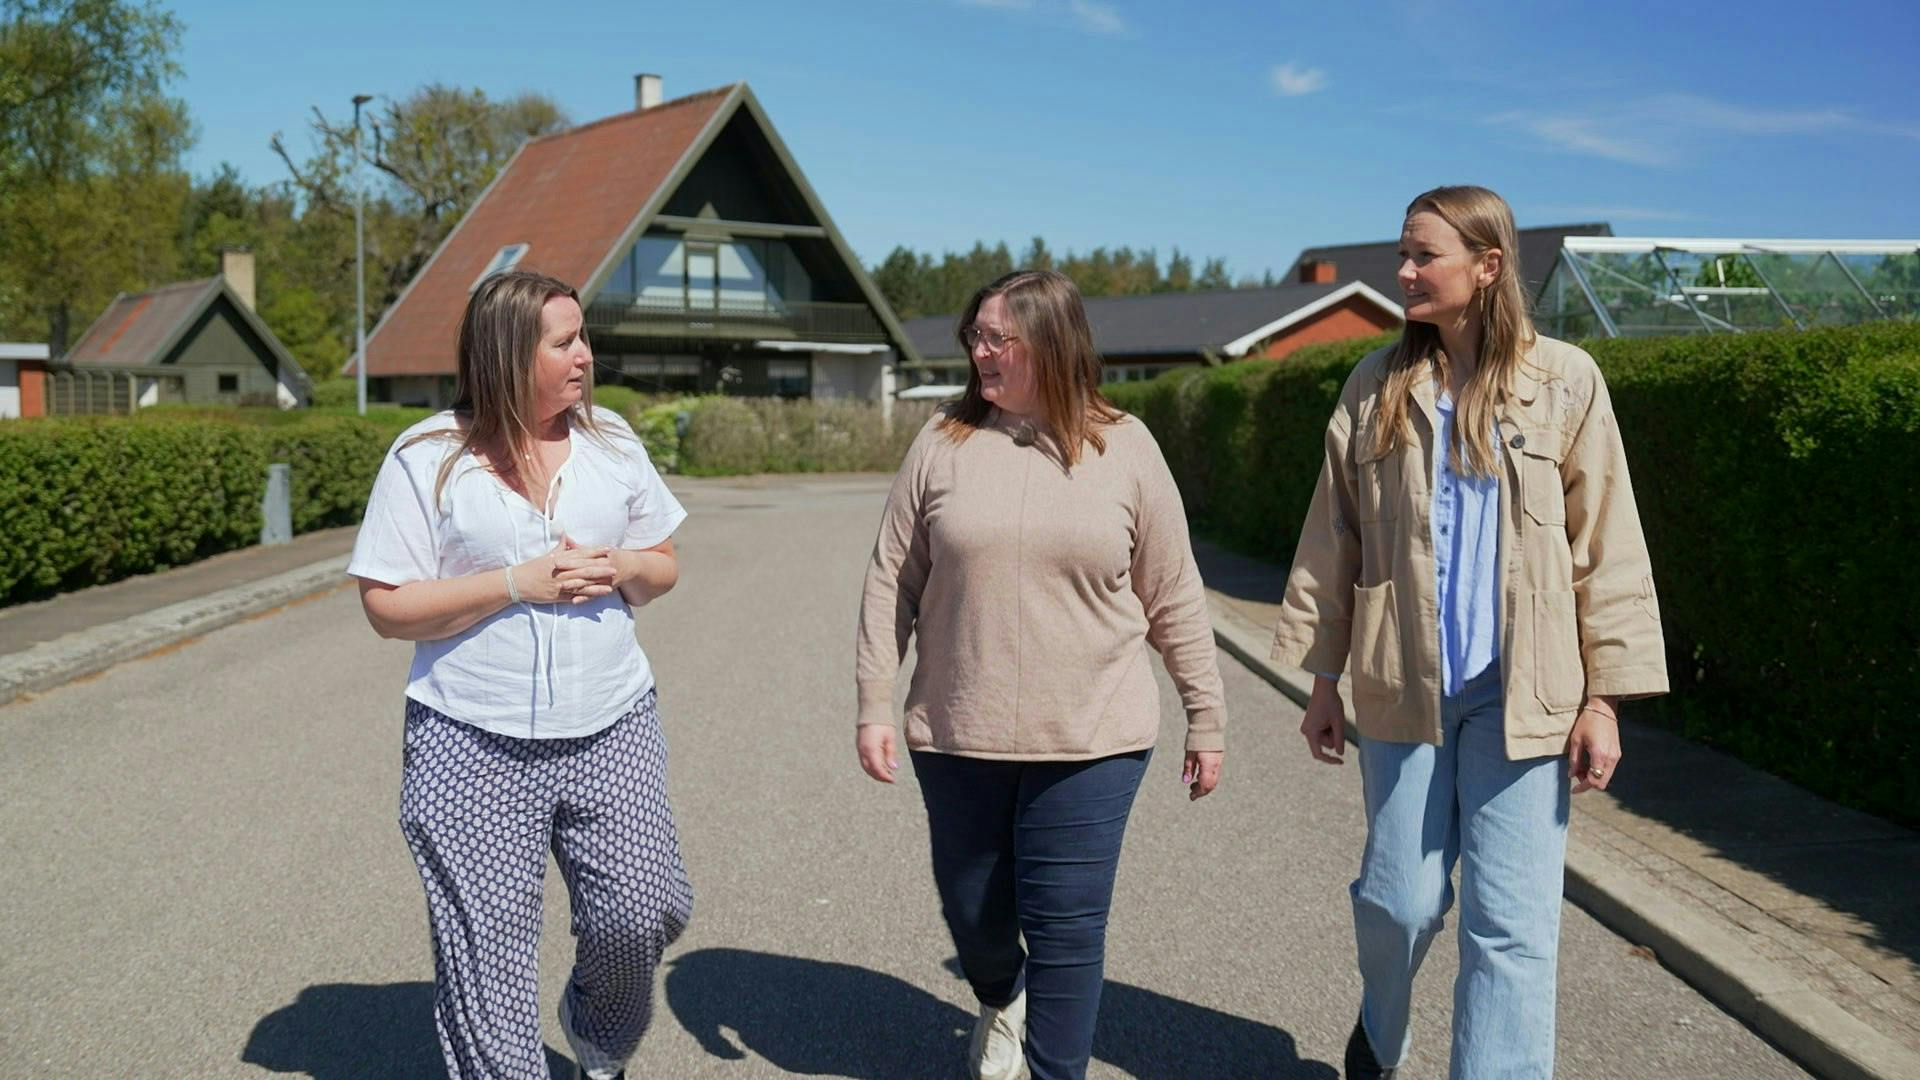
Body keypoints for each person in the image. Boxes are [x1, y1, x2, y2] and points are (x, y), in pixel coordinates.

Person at [1270, 186, 1668, 1078]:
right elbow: (1334, 533)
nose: (1403, 273)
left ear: (1488, 267)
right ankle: (1382, 1029)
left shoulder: (1566, 381)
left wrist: (1603, 700)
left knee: (1513, 930)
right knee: (1398, 902)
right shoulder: (1376, 384)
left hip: (1523, 696)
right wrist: (1324, 682)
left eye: (1423, 257)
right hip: (1401, 686)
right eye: (1403, 255)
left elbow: (1607, 545)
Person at [855, 269, 1227, 1080]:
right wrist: (872, 701)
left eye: (997, 338)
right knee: (977, 915)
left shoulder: (1126, 446)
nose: (979, 352)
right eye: (975, 337)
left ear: (1052, 345)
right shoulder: (942, 442)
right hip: (958, 730)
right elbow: (893, 577)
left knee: (1067, 929)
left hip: (1094, 736)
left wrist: (1208, 714)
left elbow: (1174, 591)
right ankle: (1000, 993)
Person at [348, 269, 693, 1080]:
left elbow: (664, 566)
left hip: (612, 721)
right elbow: (387, 606)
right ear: (508, 354)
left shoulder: (611, 440)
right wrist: (516, 583)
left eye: (583, 336)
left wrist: (622, 564)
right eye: (564, 341)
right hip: (469, 740)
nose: (586, 356)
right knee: (488, 963)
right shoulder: (428, 456)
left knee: (646, 910)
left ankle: (597, 1030)